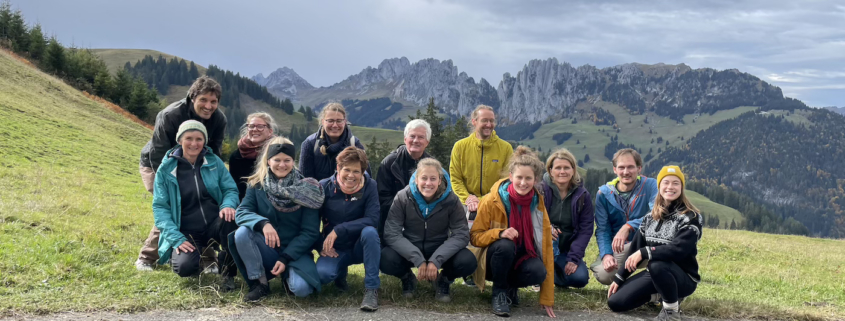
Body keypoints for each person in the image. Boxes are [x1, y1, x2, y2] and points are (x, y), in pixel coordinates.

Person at [136, 76, 227, 271]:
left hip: (196, 163)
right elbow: (158, 151)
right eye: (203, 100)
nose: (208, 106)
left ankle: (207, 257)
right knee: (172, 206)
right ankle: (147, 257)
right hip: (157, 164)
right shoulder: (170, 115)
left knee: (204, 202)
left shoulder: (219, 119)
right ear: (192, 97)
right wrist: (171, 181)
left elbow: (215, 151)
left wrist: (211, 177)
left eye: (213, 101)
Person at [231, 137, 325, 301]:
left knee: (301, 290)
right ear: (268, 161)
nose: (282, 165)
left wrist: (285, 257)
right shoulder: (257, 185)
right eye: (277, 160)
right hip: (268, 248)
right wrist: (263, 223)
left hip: (296, 252)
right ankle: (260, 283)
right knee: (242, 233)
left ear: (293, 161)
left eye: (287, 160)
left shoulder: (308, 189)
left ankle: (288, 277)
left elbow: (310, 232)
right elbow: (242, 212)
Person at [151, 120, 239, 290]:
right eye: (188, 138)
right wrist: (176, 238)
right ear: (179, 141)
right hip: (187, 231)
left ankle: (228, 272)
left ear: (204, 141)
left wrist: (227, 205)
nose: (194, 143)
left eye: (199, 139)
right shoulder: (166, 169)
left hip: (215, 223)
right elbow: (160, 207)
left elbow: (230, 189)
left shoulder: (214, 162)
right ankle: (190, 258)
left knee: (231, 220)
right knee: (185, 268)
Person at [470, 146, 556, 318]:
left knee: (538, 271)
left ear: (536, 180)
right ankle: (499, 292)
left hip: (520, 256)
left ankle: (510, 286)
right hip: (491, 260)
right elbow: (475, 237)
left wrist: (547, 298)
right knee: (506, 245)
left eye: (528, 178)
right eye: (519, 177)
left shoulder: (537, 204)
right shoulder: (491, 200)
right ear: (510, 177)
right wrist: (499, 233)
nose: (523, 183)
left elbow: (546, 248)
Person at [607, 166, 702, 321]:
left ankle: (671, 312)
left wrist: (645, 252)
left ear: (681, 187)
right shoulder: (649, 218)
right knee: (615, 302)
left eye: (675, 183)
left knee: (656, 263)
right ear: (659, 186)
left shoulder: (690, 217)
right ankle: (661, 295)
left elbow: (679, 249)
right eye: (666, 183)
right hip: (656, 274)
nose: (670, 187)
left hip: (684, 278)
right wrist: (619, 278)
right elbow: (635, 249)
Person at [381, 158, 477, 302]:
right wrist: (418, 259)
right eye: (424, 178)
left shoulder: (451, 200)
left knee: (468, 261)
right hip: (411, 246)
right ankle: (407, 278)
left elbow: (461, 234)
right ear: (416, 179)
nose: (428, 183)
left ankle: (443, 280)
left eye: (433, 179)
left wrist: (436, 260)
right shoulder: (403, 197)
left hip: (439, 247)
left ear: (440, 180)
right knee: (385, 257)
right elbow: (391, 233)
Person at [449, 104, 512, 286]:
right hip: (464, 202)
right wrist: (467, 198)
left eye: (492, 121)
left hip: (493, 202)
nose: (489, 124)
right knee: (460, 236)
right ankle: (459, 270)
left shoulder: (505, 148)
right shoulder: (460, 147)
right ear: (474, 121)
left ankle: (480, 272)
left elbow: (505, 181)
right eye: (484, 120)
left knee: (487, 238)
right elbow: (455, 177)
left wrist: (483, 200)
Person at [316, 147, 381, 311]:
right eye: (347, 169)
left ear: (363, 172)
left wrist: (339, 229)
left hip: (360, 246)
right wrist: (319, 245)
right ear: (338, 168)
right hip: (335, 248)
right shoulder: (324, 187)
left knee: (370, 232)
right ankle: (339, 275)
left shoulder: (370, 186)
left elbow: (373, 219)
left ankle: (371, 290)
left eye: (356, 171)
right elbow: (310, 222)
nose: (351, 175)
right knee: (323, 275)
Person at [591, 148, 658, 285]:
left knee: (664, 260)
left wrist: (629, 226)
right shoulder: (603, 194)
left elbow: (656, 215)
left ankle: (656, 287)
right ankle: (633, 285)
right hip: (621, 248)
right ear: (615, 169)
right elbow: (603, 229)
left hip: (647, 242)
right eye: (621, 167)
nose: (626, 172)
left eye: (630, 167)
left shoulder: (651, 185)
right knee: (604, 275)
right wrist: (607, 254)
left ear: (639, 168)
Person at [540, 148, 594, 289]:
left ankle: (551, 277)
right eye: (558, 168)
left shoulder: (582, 196)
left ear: (573, 170)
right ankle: (541, 274)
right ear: (550, 170)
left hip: (567, 251)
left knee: (580, 278)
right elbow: (531, 217)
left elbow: (586, 230)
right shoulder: (540, 191)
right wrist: (546, 227)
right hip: (542, 247)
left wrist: (574, 258)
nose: (562, 171)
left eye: (566, 168)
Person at [376, 119, 432, 239]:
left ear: (427, 142)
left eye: (421, 137)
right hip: (393, 224)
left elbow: (438, 198)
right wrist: (409, 211)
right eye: (412, 136)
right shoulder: (389, 163)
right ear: (405, 139)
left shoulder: (432, 166)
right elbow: (382, 200)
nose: (416, 140)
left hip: (424, 226)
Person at [299, 103, 367, 181]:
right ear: (323, 122)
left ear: (345, 122)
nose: (335, 125)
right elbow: (305, 182)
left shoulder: (355, 144)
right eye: (330, 121)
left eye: (339, 121)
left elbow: (365, 178)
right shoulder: (310, 144)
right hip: (317, 192)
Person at [229, 113, 277, 201]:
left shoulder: (277, 152)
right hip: (244, 204)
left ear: (270, 131)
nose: (255, 129)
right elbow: (234, 187)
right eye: (251, 126)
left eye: (260, 126)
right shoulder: (236, 156)